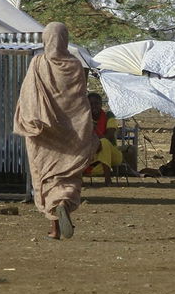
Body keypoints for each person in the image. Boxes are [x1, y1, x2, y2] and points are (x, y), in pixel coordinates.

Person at [13, 22, 98, 240]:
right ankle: (63, 203)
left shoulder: (38, 63)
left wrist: (33, 120)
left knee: (46, 176)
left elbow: (28, 96)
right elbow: (79, 99)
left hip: (44, 132)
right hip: (72, 131)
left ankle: (54, 226)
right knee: (69, 174)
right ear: (65, 39)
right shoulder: (75, 65)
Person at [87, 93, 124, 185]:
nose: (94, 106)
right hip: (94, 156)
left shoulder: (109, 116)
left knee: (104, 142)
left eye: (96, 103)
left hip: (113, 155)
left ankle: (108, 179)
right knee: (93, 170)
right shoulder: (83, 118)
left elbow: (109, 136)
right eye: (91, 104)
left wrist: (94, 129)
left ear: (101, 104)